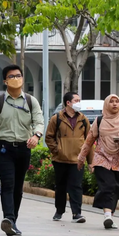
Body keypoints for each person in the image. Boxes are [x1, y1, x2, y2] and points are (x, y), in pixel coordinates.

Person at [0, 64, 44, 236]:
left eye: (18, 75)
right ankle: (8, 218)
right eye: (11, 76)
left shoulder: (31, 101)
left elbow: (39, 121)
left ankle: (13, 221)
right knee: (8, 184)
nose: (15, 79)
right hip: (4, 148)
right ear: (5, 81)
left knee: (18, 187)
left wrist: (36, 136)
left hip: (24, 148)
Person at [77, 94, 119, 230]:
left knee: (115, 188)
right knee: (107, 186)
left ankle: (110, 215)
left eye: (117, 102)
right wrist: (81, 157)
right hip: (102, 158)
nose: (114, 104)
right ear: (106, 105)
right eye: (111, 102)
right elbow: (89, 141)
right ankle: (107, 215)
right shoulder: (99, 120)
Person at [45, 92, 93, 223]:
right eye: (76, 100)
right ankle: (59, 210)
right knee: (60, 186)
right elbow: (48, 137)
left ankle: (77, 213)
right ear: (68, 103)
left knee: (76, 186)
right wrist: (57, 150)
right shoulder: (57, 118)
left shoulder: (83, 119)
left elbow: (89, 141)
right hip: (60, 159)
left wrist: (90, 161)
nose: (79, 102)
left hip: (77, 159)